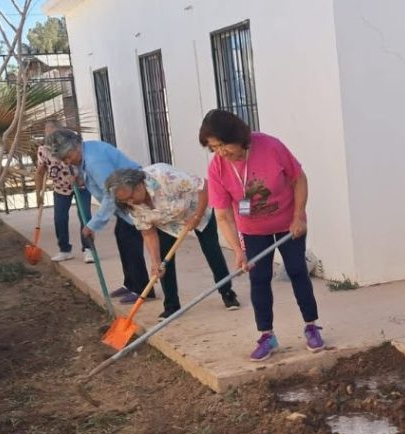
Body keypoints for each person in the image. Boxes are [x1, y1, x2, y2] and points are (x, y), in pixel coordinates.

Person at [199, 109, 324, 362]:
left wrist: (299, 215)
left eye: (223, 145)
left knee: (298, 271)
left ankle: (311, 326)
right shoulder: (217, 169)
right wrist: (237, 250)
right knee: (259, 279)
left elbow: (299, 179)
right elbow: (223, 215)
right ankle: (267, 335)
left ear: (237, 136)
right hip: (253, 231)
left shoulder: (269, 146)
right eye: (214, 148)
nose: (221, 152)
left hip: (289, 224)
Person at [106, 165, 241, 319]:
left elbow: (203, 186)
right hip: (167, 224)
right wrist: (155, 262)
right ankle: (171, 306)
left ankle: (227, 293)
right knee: (164, 263)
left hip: (197, 210)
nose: (130, 203)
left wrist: (197, 216)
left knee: (212, 252)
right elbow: (148, 232)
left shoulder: (164, 177)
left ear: (138, 186)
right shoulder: (130, 205)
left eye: (130, 197)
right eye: (124, 201)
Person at [46, 128, 154, 304]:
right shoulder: (86, 152)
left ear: (75, 146)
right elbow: (95, 180)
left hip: (134, 198)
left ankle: (143, 290)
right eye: (63, 159)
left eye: (67, 157)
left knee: (130, 240)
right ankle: (131, 284)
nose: (67, 162)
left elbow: (110, 196)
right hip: (124, 203)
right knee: (122, 236)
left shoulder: (95, 160)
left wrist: (93, 224)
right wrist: (81, 178)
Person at [34, 119, 93, 263]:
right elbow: (40, 172)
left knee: (85, 217)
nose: (51, 138)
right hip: (60, 188)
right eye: (48, 134)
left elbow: (84, 163)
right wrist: (38, 194)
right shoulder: (43, 150)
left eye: (54, 134)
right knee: (59, 219)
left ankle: (88, 249)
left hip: (81, 186)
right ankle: (65, 250)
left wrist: (79, 176)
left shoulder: (71, 145)